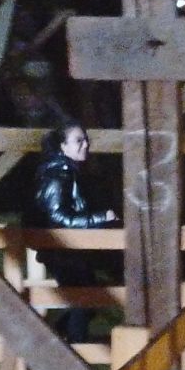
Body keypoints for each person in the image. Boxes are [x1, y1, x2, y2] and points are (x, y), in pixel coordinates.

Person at [28, 119, 119, 346]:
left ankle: (53, 343)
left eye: (86, 140)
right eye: (79, 141)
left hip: (69, 251)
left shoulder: (68, 172)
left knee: (89, 300)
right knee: (84, 300)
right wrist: (101, 218)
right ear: (63, 146)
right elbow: (58, 217)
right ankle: (67, 348)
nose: (85, 145)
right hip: (62, 252)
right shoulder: (58, 175)